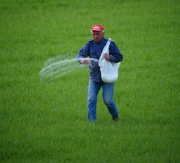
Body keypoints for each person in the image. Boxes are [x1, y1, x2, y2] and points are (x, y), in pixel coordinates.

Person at [76, 24, 123, 121]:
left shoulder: (110, 44)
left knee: (108, 101)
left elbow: (119, 57)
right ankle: (92, 122)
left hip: (108, 77)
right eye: (94, 34)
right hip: (94, 77)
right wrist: (82, 60)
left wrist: (110, 58)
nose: (95, 36)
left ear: (103, 33)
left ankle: (115, 115)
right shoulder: (89, 44)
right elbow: (80, 55)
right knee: (91, 100)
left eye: (97, 34)